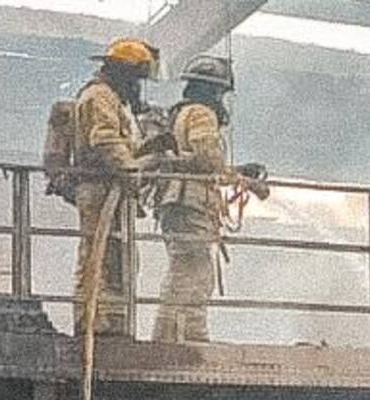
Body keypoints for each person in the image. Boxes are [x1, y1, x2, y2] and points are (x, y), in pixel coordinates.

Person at [43, 37, 162, 338]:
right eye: (135, 79)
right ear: (122, 73)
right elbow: (105, 141)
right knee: (97, 255)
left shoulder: (109, 99)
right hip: (99, 189)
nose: (137, 87)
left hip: (111, 189)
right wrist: (132, 171)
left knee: (116, 257)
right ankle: (93, 323)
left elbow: (118, 143)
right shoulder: (99, 97)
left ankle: (113, 322)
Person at [151, 55, 266, 343]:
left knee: (186, 270)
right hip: (191, 203)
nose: (222, 100)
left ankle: (175, 335)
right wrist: (246, 181)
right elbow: (207, 160)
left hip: (179, 202)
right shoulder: (202, 114)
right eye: (221, 93)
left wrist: (238, 172)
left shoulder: (182, 113)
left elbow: (195, 160)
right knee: (194, 272)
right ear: (213, 91)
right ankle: (186, 338)